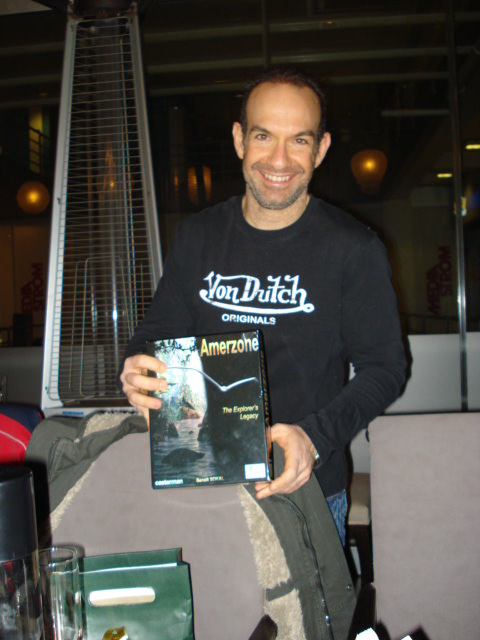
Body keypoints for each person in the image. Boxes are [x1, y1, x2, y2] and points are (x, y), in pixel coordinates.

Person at [119, 67, 407, 545]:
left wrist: (315, 438)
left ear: (321, 149)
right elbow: (155, 336)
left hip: (306, 492)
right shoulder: (197, 237)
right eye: (263, 136)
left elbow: (385, 369)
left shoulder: (353, 249)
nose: (279, 159)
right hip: (204, 485)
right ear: (239, 140)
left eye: (299, 140)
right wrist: (136, 367)